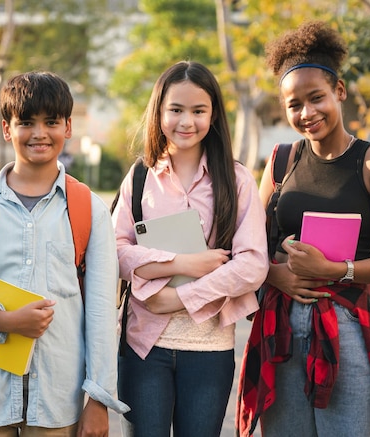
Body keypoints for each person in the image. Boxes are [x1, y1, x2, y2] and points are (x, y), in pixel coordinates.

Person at [236, 21, 370, 437]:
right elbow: (250, 244)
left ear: (340, 91)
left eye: (316, 98)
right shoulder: (281, 161)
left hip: (347, 326)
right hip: (279, 328)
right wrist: (274, 274)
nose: (306, 113)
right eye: (294, 104)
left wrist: (338, 271)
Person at [0, 71, 128, 437]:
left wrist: (99, 400)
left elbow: (101, 313)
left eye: (51, 122)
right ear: (7, 129)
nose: (39, 133)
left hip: (58, 399)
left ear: (68, 127)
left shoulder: (89, 208)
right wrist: (3, 321)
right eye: (26, 122)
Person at [111, 60, 269, 437]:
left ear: (213, 115)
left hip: (210, 351)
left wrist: (179, 297)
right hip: (143, 346)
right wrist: (184, 263)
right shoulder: (138, 178)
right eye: (176, 109)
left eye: (199, 111)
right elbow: (115, 250)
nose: (187, 121)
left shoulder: (237, 179)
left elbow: (253, 265)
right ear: (159, 112)